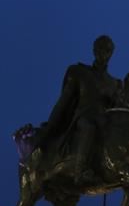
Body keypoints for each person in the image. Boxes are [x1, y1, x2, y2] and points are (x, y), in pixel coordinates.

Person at [33, 35, 121, 186]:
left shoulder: (115, 83)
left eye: (108, 50)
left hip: (104, 121)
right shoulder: (79, 72)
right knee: (88, 126)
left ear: (111, 53)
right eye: (101, 49)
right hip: (83, 117)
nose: (104, 53)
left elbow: (117, 109)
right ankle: (80, 171)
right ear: (94, 50)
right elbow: (64, 102)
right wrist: (50, 126)